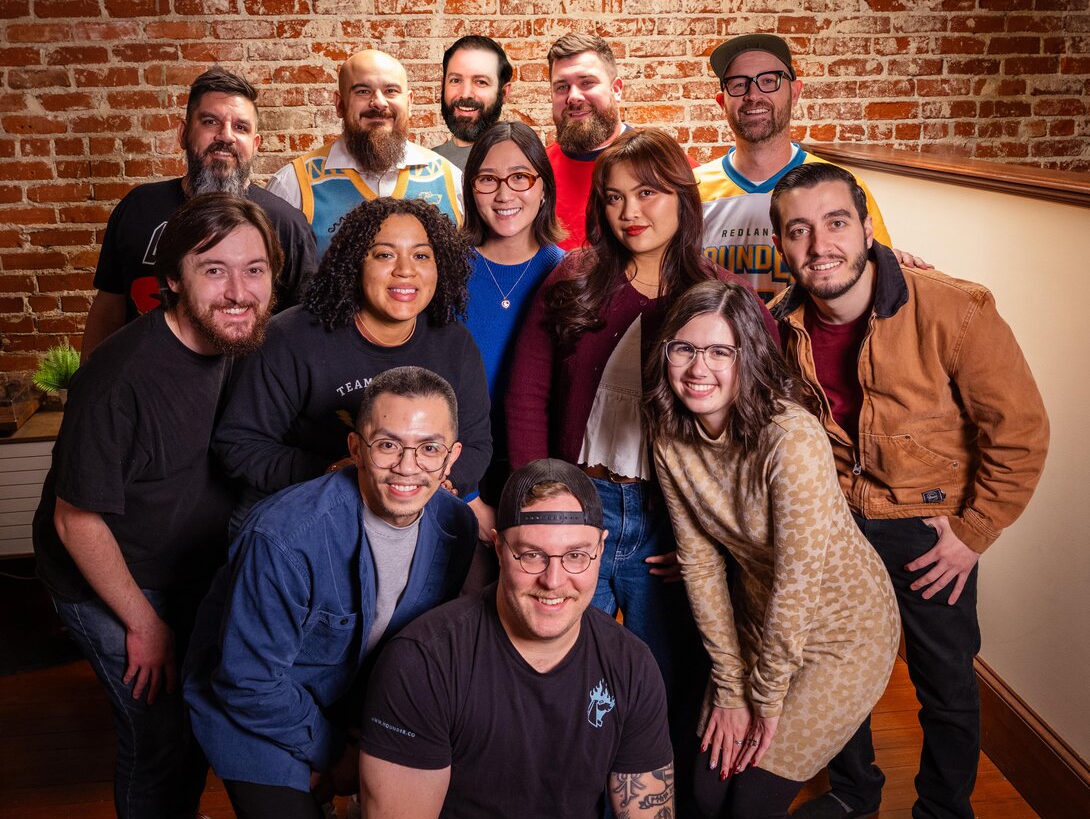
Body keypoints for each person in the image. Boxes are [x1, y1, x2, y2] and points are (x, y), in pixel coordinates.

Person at [765, 163, 1049, 819]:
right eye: (799, 231)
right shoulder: (782, 325)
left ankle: (945, 810)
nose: (820, 245)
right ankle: (853, 794)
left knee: (946, 686)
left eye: (837, 223)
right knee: (834, 672)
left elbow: (1020, 433)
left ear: (867, 228)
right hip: (833, 527)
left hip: (929, 531)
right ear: (782, 244)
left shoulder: (955, 307)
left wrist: (973, 533)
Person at [506, 127, 778, 807]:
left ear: (683, 199)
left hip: (671, 525)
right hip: (583, 508)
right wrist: (545, 513)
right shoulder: (573, 281)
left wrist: (709, 541)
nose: (632, 211)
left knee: (665, 680)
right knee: (569, 676)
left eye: (649, 193)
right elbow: (527, 397)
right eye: (615, 196)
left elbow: (758, 435)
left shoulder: (723, 299)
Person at [31, 194, 282, 819]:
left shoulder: (240, 345)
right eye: (213, 269)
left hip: (181, 566)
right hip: (110, 580)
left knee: (196, 721)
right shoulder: (120, 378)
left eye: (254, 270)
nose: (238, 292)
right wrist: (143, 624)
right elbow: (75, 520)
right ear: (172, 279)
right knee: (160, 740)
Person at [645, 280, 900, 819]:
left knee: (749, 801)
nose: (698, 368)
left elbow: (797, 581)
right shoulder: (669, 435)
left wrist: (763, 701)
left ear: (749, 357)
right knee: (704, 793)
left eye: (720, 352)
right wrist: (730, 689)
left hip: (843, 632)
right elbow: (700, 563)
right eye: (685, 349)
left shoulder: (791, 436)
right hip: (760, 620)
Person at [185, 366, 477, 819]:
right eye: (387, 445)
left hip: (356, 705)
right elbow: (247, 682)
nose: (407, 467)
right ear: (356, 448)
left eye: (429, 449)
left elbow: (419, 648)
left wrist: (375, 740)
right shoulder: (283, 537)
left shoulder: (457, 526)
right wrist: (333, 754)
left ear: (451, 457)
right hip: (257, 713)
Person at [359, 458, 675, 819]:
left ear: (600, 551)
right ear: (498, 547)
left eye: (575, 555)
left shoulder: (631, 665)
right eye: (531, 556)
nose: (553, 581)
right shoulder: (423, 663)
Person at [212, 196, 492, 537]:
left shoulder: (454, 343)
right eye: (385, 254)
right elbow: (238, 444)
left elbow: (476, 445)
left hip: (410, 509)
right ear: (355, 262)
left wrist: (431, 480)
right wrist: (338, 474)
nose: (405, 270)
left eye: (421, 255)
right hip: (298, 509)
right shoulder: (291, 338)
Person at [82, 66, 316, 358]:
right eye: (210, 121)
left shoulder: (286, 223)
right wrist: (87, 383)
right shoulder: (138, 207)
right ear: (183, 133)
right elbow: (109, 306)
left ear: (255, 145)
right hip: (148, 387)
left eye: (241, 127)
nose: (226, 136)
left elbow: (304, 328)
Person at [695, 34, 892, 302]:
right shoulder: (690, 190)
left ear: (795, 92)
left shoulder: (841, 187)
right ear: (722, 102)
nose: (753, 95)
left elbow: (878, 280)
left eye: (768, 81)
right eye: (738, 85)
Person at [461, 121, 565, 535]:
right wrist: (466, 497)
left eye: (520, 177)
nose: (505, 194)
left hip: (546, 467)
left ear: (544, 187)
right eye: (488, 179)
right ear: (471, 189)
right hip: (459, 472)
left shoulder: (568, 272)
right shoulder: (444, 271)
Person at [267, 49, 463, 256]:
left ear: (409, 102)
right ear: (340, 104)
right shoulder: (293, 184)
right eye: (362, 91)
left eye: (391, 91)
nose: (379, 103)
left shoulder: (450, 179)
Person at [545, 33, 630, 250]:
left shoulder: (666, 165)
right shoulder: (534, 174)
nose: (574, 97)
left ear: (616, 89)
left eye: (587, 83)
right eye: (562, 87)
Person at [433, 35, 513, 170]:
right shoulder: (425, 165)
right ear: (443, 85)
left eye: (481, 82)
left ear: (504, 92)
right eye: (455, 80)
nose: (465, 94)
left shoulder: (525, 161)